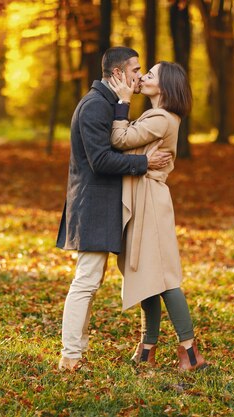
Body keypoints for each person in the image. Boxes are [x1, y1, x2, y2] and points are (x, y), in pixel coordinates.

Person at [56, 47, 173, 371]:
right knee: (87, 280)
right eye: (136, 69)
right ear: (119, 73)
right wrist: (144, 162)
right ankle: (70, 356)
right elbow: (101, 160)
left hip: (104, 204)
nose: (140, 74)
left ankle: (74, 352)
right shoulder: (95, 106)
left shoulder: (110, 103)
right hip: (93, 204)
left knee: (92, 280)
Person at [108, 61, 208, 371]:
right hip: (144, 197)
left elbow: (120, 141)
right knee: (146, 275)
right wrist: (140, 159)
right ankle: (147, 348)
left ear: (163, 86)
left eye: (150, 75)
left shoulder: (162, 118)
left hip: (150, 199)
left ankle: (189, 351)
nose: (143, 77)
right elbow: (130, 147)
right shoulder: (156, 116)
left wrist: (123, 102)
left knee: (163, 276)